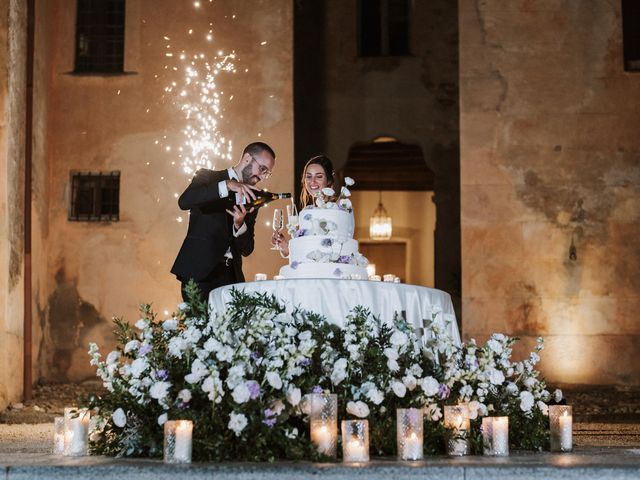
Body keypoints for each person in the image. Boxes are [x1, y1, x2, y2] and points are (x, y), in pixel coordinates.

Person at [171, 142, 276, 303]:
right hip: (199, 274)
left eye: (267, 173)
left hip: (231, 277)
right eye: (262, 169)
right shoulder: (207, 176)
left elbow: (247, 249)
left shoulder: (254, 197)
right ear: (247, 158)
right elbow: (184, 202)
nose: (262, 177)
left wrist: (239, 225)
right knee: (200, 326)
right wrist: (227, 185)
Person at [271, 154, 335, 256]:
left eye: (319, 176)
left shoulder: (339, 211)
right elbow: (304, 255)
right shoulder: (306, 212)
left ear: (329, 181)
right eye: (308, 176)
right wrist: (284, 245)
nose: (312, 181)